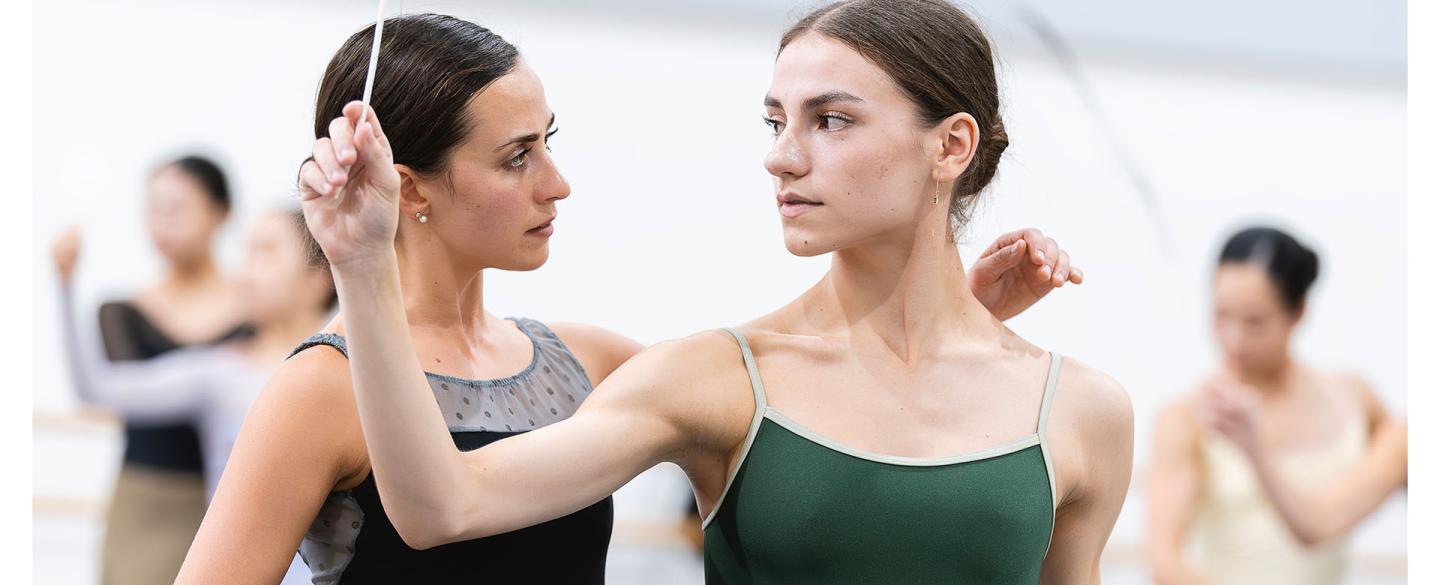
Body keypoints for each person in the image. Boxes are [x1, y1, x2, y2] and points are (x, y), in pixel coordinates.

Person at [177, 11, 1087, 584]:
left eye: (547, 142)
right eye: (516, 156)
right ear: (408, 186)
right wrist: (359, 264)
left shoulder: (592, 359)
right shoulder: (323, 387)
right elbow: (442, 507)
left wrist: (956, 321)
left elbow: (793, 411)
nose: (557, 182)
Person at [54, 209, 335, 584]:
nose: (246, 272)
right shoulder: (218, 373)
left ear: (319, 278)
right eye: (246, 253)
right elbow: (95, 389)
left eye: (265, 252)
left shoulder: (353, 371)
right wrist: (64, 286)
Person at [1147, 226, 1394, 585]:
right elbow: (1164, 562)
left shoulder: (1355, 397)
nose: (1233, 338)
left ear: (1299, 311)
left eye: (1254, 322)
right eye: (1221, 316)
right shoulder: (1187, 417)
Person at [86, 155, 251, 585]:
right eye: (153, 210)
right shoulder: (122, 311)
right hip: (142, 498)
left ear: (220, 211)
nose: (162, 224)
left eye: (176, 209)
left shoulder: (257, 307)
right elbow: (106, 391)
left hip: (226, 501)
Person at [1206, 384, 1407, 547]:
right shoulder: (1403, 438)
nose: (1236, 340)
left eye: (1255, 330)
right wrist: (1254, 450)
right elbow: (1319, 521)